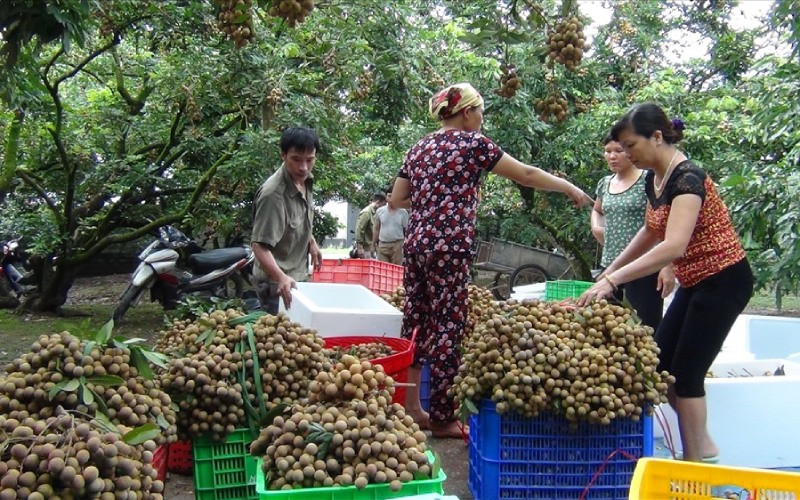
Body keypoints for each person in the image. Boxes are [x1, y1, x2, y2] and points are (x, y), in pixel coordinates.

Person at [391, 83, 593, 437]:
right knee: (448, 325)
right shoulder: (473, 145)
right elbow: (526, 175)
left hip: (417, 245)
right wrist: (568, 187)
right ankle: (442, 417)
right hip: (449, 247)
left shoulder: (419, 148)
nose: (482, 119)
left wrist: (431, 203)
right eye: (480, 112)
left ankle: (410, 407)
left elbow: (397, 197)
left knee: (416, 320)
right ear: (467, 112)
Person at [577, 103, 754, 462]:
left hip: (723, 280)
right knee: (662, 370)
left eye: (631, 145)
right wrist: (609, 270)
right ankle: (704, 449)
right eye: (622, 148)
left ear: (657, 137)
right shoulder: (654, 179)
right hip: (696, 281)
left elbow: (673, 244)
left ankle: (695, 465)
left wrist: (614, 279)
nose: (627, 153)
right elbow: (649, 230)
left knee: (687, 377)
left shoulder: (687, 178)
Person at [591, 135, 675, 330]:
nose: (612, 156)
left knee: (644, 329)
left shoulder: (648, 180)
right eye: (608, 151)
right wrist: (596, 227)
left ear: (630, 152)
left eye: (618, 151)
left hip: (644, 269)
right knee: (606, 327)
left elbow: (663, 222)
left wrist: (667, 266)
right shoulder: (605, 183)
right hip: (610, 265)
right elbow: (597, 209)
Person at [251, 127, 324, 314]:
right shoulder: (273, 195)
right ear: (283, 155)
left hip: (297, 274)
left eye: (310, 160)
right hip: (275, 282)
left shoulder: (305, 181)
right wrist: (281, 277)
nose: (304, 167)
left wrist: (311, 242)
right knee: (279, 337)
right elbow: (259, 246)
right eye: (296, 160)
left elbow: (298, 218)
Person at [372, 192, 408, 265]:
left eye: (393, 196)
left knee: (396, 269)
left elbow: (407, 229)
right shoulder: (380, 211)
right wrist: (373, 244)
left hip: (398, 245)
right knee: (382, 269)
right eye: (389, 196)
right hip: (383, 244)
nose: (391, 199)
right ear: (386, 198)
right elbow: (376, 228)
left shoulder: (403, 212)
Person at [354, 192, 386, 258]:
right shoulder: (366, 212)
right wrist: (359, 248)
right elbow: (359, 229)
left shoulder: (375, 213)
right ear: (378, 202)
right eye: (383, 205)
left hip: (372, 247)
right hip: (366, 249)